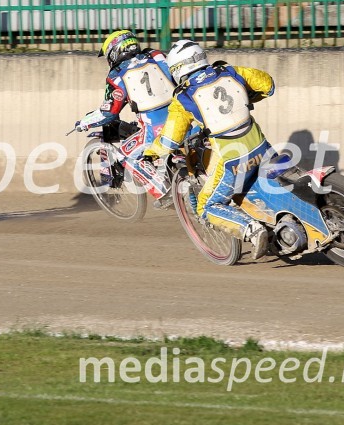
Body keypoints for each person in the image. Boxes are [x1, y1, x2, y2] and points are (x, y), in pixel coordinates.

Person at [143, 39, 275, 258]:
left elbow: (170, 141)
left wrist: (151, 152)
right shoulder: (230, 71)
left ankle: (252, 229)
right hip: (262, 146)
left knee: (207, 205)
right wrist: (246, 98)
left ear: (176, 69)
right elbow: (268, 85)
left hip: (233, 160)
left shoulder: (183, 96)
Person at [75, 30, 176, 203]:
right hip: (186, 117)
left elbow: (109, 113)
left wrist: (84, 123)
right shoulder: (157, 55)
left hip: (156, 128)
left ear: (114, 53)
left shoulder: (116, 76)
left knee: (127, 156)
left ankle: (165, 194)